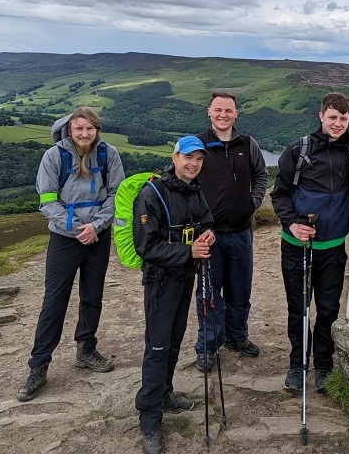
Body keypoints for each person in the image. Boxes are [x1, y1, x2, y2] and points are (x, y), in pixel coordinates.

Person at [271, 92, 349, 393]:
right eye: (333, 117)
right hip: (298, 246)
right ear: (321, 115)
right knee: (299, 308)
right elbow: (279, 194)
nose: (338, 123)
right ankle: (297, 364)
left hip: (333, 247)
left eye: (344, 118)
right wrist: (293, 224)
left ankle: (324, 365)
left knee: (327, 308)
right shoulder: (298, 150)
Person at [17, 106, 125, 402]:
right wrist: (79, 227)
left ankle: (86, 350)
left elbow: (118, 194)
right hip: (66, 238)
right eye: (79, 129)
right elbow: (47, 199)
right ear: (69, 129)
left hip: (98, 236)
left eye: (89, 129)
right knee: (54, 301)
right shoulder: (54, 156)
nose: (84, 134)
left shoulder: (108, 154)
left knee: (92, 296)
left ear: (96, 130)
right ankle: (38, 366)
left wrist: (98, 226)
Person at [133, 136, 215, 454]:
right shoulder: (152, 194)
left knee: (175, 340)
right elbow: (146, 246)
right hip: (160, 282)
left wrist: (208, 235)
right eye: (188, 157)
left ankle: (164, 394)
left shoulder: (195, 190)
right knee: (156, 347)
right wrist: (189, 251)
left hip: (184, 278)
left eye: (199, 159)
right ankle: (150, 419)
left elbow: (206, 222)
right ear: (175, 157)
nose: (194, 164)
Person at [194, 91, 269, 371]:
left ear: (236, 114)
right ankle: (208, 346)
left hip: (240, 231)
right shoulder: (198, 144)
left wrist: (253, 202)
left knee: (240, 289)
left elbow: (262, 175)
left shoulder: (247, 144)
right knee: (209, 293)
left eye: (229, 110)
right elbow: (183, 177)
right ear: (209, 112)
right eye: (218, 110)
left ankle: (237, 337)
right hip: (208, 234)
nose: (223, 115)